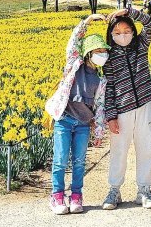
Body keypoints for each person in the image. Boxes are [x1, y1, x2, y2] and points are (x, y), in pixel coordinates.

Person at [45, 14, 110, 215]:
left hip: (83, 124)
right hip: (64, 120)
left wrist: (99, 133)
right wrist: (88, 21)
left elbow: (100, 108)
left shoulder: (101, 79)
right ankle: (56, 196)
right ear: (89, 53)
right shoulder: (74, 66)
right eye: (98, 51)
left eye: (104, 52)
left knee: (80, 161)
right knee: (60, 159)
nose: (102, 55)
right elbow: (73, 42)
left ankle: (76, 195)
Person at [101, 6, 151, 210]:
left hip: (145, 104)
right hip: (122, 108)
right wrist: (111, 115)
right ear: (111, 35)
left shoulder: (141, 46)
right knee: (118, 150)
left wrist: (128, 12)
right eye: (117, 33)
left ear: (133, 32)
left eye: (126, 31)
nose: (122, 36)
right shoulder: (109, 56)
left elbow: (150, 23)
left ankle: (144, 189)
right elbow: (109, 87)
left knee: (146, 148)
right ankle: (114, 190)